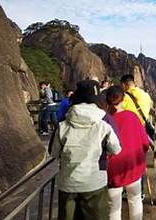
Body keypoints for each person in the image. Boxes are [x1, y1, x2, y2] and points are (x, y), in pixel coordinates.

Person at [50, 80, 121, 220]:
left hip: (68, 183)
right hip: (94, 182)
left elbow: (54, 153)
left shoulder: (63, 124)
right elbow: (116, 149)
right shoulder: (103, 124)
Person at [105, 86, 150, 220]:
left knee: (113, 207)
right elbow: (145, 143)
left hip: (112, 170)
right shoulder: (132, 116)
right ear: (124, 99)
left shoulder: (105, 120)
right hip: (133, 166)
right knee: (135, 200)